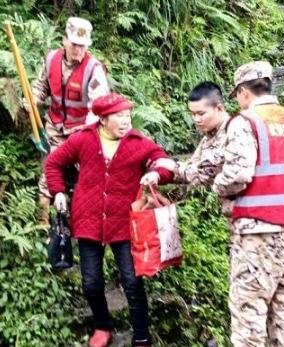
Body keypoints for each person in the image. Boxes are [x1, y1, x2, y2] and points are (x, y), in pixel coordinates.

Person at [44, 93, 173, 347]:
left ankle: (141, 335)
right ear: (103, 119)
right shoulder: (82, 139)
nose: (126, 121)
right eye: (119, 116)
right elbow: (53, 163)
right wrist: (58, 191)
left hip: (125, 222)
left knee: (131, 282)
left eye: (128, 115)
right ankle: (103, 326)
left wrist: (157, 173)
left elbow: (165, 163)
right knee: (91, 282)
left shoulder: (139, 142)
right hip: (88, 219)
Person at [212, 61, 284, 346]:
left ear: (243, 92)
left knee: (249, 309)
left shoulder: (246, 121)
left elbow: (238, 174)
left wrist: (217, 186)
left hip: (257, 230)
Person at [27, 17, 110, 225]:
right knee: (49, 171)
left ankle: (88, 221)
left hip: (82, 132)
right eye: (74, 45)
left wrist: (87, 131)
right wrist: (33, 99)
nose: (78, 51)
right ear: (64, 40)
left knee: (90, 177)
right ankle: (43, 221)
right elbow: (40, 87)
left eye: (83, 46)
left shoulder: (94, 69)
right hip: (54, 128)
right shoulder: (50, 60)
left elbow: (99, 107)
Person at [153, 81, 232, 214]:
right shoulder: (209, 136)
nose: (196, 119)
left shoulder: (232, 132)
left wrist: (173, 165)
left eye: (201, 113)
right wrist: (159, 173)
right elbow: (191, 168)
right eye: (193, 114)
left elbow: (204, 174)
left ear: (219, 109)